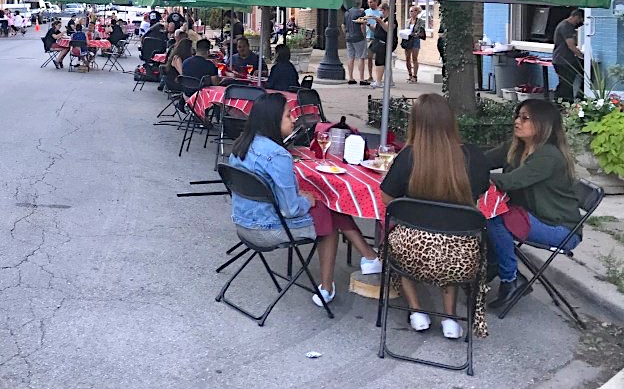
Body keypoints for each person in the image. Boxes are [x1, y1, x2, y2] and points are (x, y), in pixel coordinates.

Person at [229, 93, 381, 309]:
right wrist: (306, 201)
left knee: (325, 202)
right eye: (289, 115)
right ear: (273, 120)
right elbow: (290, 210)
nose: (294, 120)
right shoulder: (278, 155)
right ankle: (329, 285)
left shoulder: (240, 146)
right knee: (327, 213)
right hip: (268, 230)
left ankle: (368, 257)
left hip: (243, 224)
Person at [380, 93, 491, 338]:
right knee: (451, 237)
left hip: (412, 254)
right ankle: (450, 318)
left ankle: (416, 311)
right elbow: (480, 193)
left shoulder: (408, 157)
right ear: (450, 121)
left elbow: (388, 200)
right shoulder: (474, 156)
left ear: (416, 123)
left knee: (394, 236)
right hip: (460, 259)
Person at [484, 99, 581, 310]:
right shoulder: (516, 148)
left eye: (525, 118)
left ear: (542, 124)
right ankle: (492, 267)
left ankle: (510, 279)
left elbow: (511, 181)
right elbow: (482, 161)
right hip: (531, 217)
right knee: (487, 211)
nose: (518, 121)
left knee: (493, 215)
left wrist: (476, 177)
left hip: (560, 228)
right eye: (517, 116)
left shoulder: (549, 155)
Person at [552, 9, 584, 102]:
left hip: (567, 60)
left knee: (569, 82)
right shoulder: (566, 26)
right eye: (580, 20)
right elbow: (571, 45)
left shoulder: (568, 27)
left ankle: (569, 101)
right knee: (565, 83)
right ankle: (559, 103)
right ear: (576, 17)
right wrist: (582, 56)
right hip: (563, 60)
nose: (579, 23)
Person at [366, 3, 397, 88]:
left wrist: (380, 21)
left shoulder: (392, 19)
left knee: (380, 61)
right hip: (377, 41)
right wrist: (368, 25)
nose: (379, 12)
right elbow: (376, 29)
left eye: (380, 10)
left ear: (385, 10)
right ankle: (389, 81)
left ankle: (378, 81)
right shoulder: (382, 18)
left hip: (385, 42)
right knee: (386, 62)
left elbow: (388, 29)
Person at [342, 0, 368, 85]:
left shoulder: (347, 12)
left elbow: (343, 25)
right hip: (359, 37)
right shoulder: (361, 13)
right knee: (361, 57)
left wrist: (346, 33)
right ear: (360, 3)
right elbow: (362, 26)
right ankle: (361, 79)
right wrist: (364, 36)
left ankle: (351, 77)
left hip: (349, 37)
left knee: (350, 57)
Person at [403, 4, 426, 83]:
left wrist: (414, 34)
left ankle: (414, 76)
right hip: (407, 40)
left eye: (413, 11)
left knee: (414, 58)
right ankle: (409, 74)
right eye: (410, 11)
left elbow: (421, 32)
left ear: (417, 12)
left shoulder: (421, 21)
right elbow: (406, 30)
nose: (411, 13)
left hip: (415, 40)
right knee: (407, 58)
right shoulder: (407, 21)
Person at [364, 0, 382, 83]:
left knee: (379, 58)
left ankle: (379, 77)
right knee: (369, 58)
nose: (370, 4)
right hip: (368, 37)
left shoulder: (380, 12)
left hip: (377, 38)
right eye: (369, 2)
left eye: (371, 2)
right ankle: (370, 76)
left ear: (376, 2)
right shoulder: (366, 12)